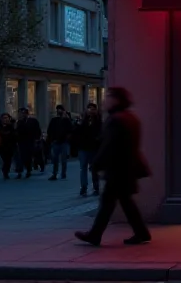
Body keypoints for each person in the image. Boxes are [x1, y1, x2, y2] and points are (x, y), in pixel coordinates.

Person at [75, 87, 151, 246]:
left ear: (116, 99)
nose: (104, 101)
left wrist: (96, 164)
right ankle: (141, 232)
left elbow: (108, 146)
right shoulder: (131, 118)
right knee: (124, 202)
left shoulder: (115, 119)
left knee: (108, 203)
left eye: (107, 97)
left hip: (117, 169)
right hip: (127, 168)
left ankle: (95, 235)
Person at [73, 103, 103, 196]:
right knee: (83, 168)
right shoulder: (82, 121)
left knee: (94, 169)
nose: (91, 110)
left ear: (96, 110)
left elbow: (101, 134)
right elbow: (76, 133)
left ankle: (96, 187)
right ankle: (84, 188)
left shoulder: (99, 122)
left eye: (93, 109)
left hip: (94, 148)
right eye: (89, 109)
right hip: (83, 148)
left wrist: (97, 140)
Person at [47, 105, 73, 180]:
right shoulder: (54, 120)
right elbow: (50, 131)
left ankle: (63, 173)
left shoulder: (66, 120)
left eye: (60, 110)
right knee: (55, 159)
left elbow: (70, 130)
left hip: (63, 142)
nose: (59, 111)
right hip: (56, 142)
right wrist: (51, 139)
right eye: (58, 110)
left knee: (63, 160)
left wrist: (67, 138)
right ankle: (55, 173)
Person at [15, 108, 41, 178]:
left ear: (26, 114)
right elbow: (17, 132)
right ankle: (20, 171)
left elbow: (37, 130)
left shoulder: (33, 121)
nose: (21, 115)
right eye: (20, 113)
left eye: (23, 113)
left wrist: (37, 139)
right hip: (21, 141)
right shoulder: (19, 122)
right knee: (21, 156)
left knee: (28, 156)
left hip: (30, 141)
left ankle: (28, 169)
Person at [0, 114, 18, 180]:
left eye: (6, 118)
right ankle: (5, 171)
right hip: (1, 146)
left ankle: (5, 172)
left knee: (8, 160)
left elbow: (15, 135)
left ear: (9, 119)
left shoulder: (11, 127)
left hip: (10, 146)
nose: (5, 119)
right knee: (5, 159)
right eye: (3, 118)